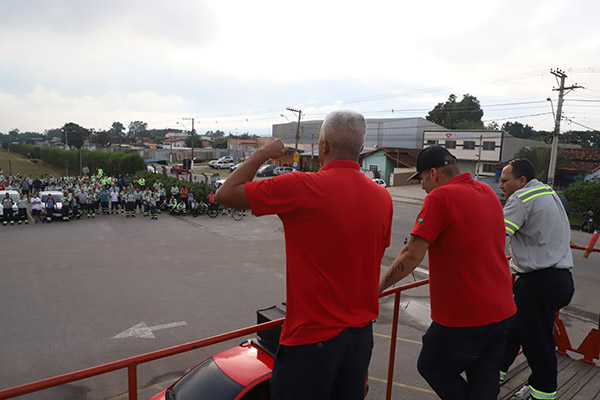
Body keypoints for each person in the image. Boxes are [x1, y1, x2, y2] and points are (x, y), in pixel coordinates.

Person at [217, 110, 393, 400]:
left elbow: (226, 193)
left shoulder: (302, 187)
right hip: (360, 337)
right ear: (361, 150)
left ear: (323, 146)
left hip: (313, 338)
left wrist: (263, 153)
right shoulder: (382, 197)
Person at [378, 145, 516, 400]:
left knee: (431, 365)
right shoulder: (486, 190)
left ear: (433, 174)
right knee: (483, 382)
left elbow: (411, 254)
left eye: (421, 180)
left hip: (465, 318)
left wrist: (376, 290)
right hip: (502, 311)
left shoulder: (440, 197)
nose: (422, 187)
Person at [498, 158, 574, 400]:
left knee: (538, 345)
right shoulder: (548, 192)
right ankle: (493, 373)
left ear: (521, 180)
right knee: (514, 330)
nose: (501, 185)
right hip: (560, 279)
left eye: (504, 180)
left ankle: (543, 394)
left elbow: (497, 233)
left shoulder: (520, 198)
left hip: (538, 282)